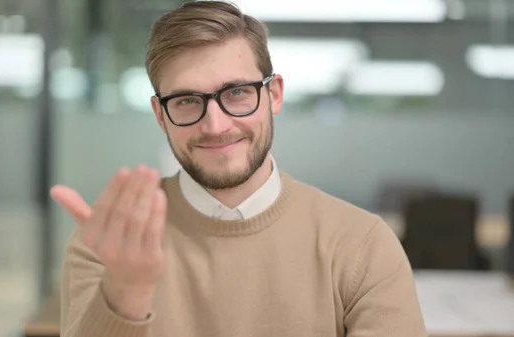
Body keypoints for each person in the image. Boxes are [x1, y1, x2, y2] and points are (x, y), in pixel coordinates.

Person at [50, 1, 428, 336]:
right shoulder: (109, 243)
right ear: (160, 116)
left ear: (274, 94)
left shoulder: (363, 246)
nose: (215, 126)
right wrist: (126, 294)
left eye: (236, 93)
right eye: (185, 101)